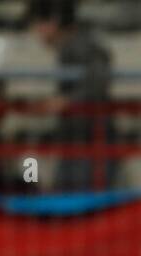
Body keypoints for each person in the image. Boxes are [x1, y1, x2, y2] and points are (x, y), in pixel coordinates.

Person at [27, 0, 114, 191]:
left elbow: (100, 79)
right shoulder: (69, 48)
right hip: (76, 142)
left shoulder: (83, 45)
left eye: (37, 23)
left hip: (89, 144)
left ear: (53, 21)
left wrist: (65, 102)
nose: (35, 31)